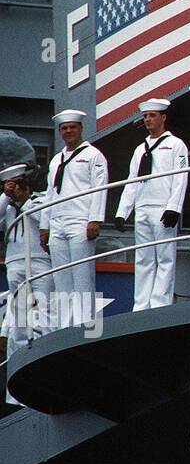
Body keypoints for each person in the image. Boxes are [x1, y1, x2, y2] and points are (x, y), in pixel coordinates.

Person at [113, 98, 188, 310]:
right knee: (143, 259)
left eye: (152, 115)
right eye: (145, 116)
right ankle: (141, 304)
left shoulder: (175, 145)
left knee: (165, 258)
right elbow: (132, 181)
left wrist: (174, 208)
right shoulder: (140, 149)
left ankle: (160, 303)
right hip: (143, 208)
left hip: (163, 207)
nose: (148, 119)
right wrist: (123, 211)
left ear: (163, 117)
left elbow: (180, 177)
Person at [38, 110, 107, 329]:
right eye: (64, 128)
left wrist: (95, 219)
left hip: (81, 220)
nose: (68, 131)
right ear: (60, 131)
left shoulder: (93, 154)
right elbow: (50, 193)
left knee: (82, 276)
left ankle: (85, 327)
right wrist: (44, 225)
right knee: (61, 279)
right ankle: (65, 328)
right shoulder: (57, 159)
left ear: (80, 129)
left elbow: (100, 188)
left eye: (72, 127)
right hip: (57, 222)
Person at [2, 165, 52, 403]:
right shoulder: (6, 205)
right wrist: (6, 195)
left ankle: (44, 375)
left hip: (40, 261)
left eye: (17, 183)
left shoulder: (38, 200)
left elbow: (44, 218)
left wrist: (24, 200)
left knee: (44, 314)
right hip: (15, 261)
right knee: (19, 318)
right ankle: (16, 395)